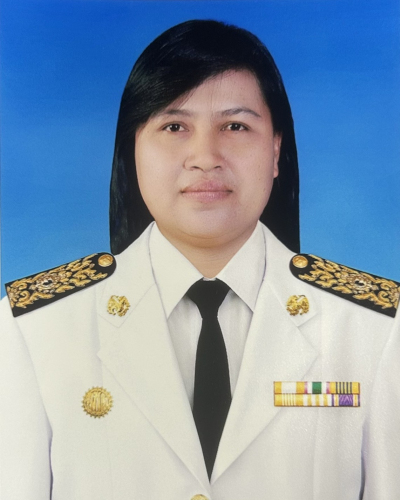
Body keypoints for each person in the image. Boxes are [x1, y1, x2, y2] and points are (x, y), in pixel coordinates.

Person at [0, 19, 398, 500]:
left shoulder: (374, 329)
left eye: (235, 126)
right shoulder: (35, 329)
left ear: (276, 150)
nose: (205, 157)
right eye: (174, 127)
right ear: (132, 149)